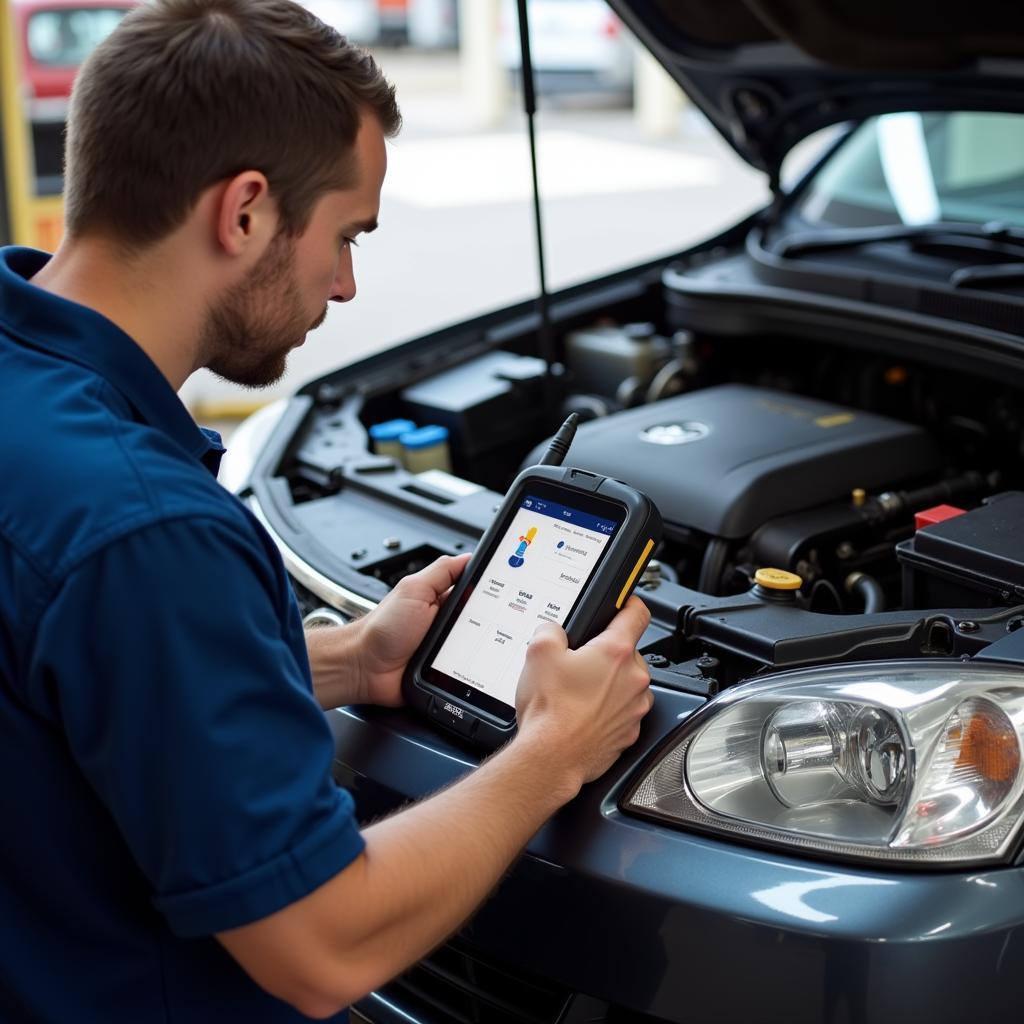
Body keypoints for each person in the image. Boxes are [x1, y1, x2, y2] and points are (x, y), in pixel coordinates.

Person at [0, 1, 653, 1020]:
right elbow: (319, 941)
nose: (346, 285)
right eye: (345, 236)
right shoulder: (144, 533)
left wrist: (352, 662)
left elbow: (77, 687)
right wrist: (553, 750)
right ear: (246, 211)